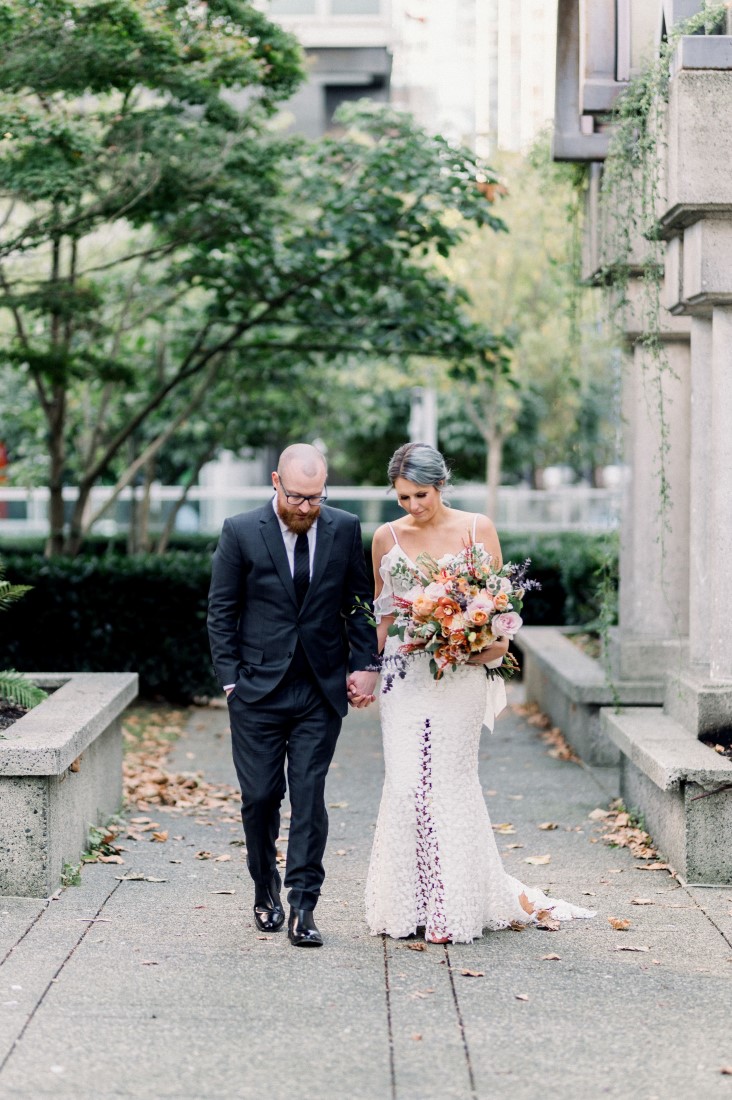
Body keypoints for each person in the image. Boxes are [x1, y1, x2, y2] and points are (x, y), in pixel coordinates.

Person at [365, 442, 595, 943]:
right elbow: (382, 616)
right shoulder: (386, 537)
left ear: (440, 485)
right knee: (406, 786)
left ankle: (450, 909)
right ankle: (410, 903)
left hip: (461, 675)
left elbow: (497, 611)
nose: (412, 505)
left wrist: (483, 644)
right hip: (405, 675)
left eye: (420, 494)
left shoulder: (476, 528)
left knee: (447, 784)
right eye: (402, 497)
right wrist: (364, 670)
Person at [208, 444, 378, 948]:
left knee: (309, 795)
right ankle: (265, 887)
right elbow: (221, 611)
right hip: (256, 691)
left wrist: (365, 665)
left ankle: (304, 905)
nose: (306, 507)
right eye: (297, 497)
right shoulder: (240, 530)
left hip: (319, 689)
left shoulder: (344, 528)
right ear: (276, 482)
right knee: (261, 797)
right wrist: (231, 681)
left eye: (316, 498)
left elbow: (359, 602)